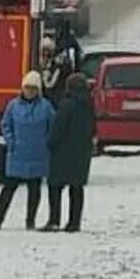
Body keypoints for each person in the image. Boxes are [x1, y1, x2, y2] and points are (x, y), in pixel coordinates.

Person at [0, 71, 54, 229]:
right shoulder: (13, 106)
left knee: (34, 190)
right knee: (8, 188)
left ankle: (30, 221)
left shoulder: (46, 107)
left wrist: (46, 143)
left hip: (37, 155)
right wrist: (11, 142)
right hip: (17, 154)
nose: (30, 91)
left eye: (33, 88)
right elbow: (5, 124)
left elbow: (53, 127)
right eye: (27, 87)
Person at [44, 73, 96, 232]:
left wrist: (51, 144)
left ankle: (54, 220)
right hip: (81, 154)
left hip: (62, 153)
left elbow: (58, 128)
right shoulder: (89, 105)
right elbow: (92, 129)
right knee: (76, 188)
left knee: (55, 187)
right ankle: (74, 222)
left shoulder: (67, 104)